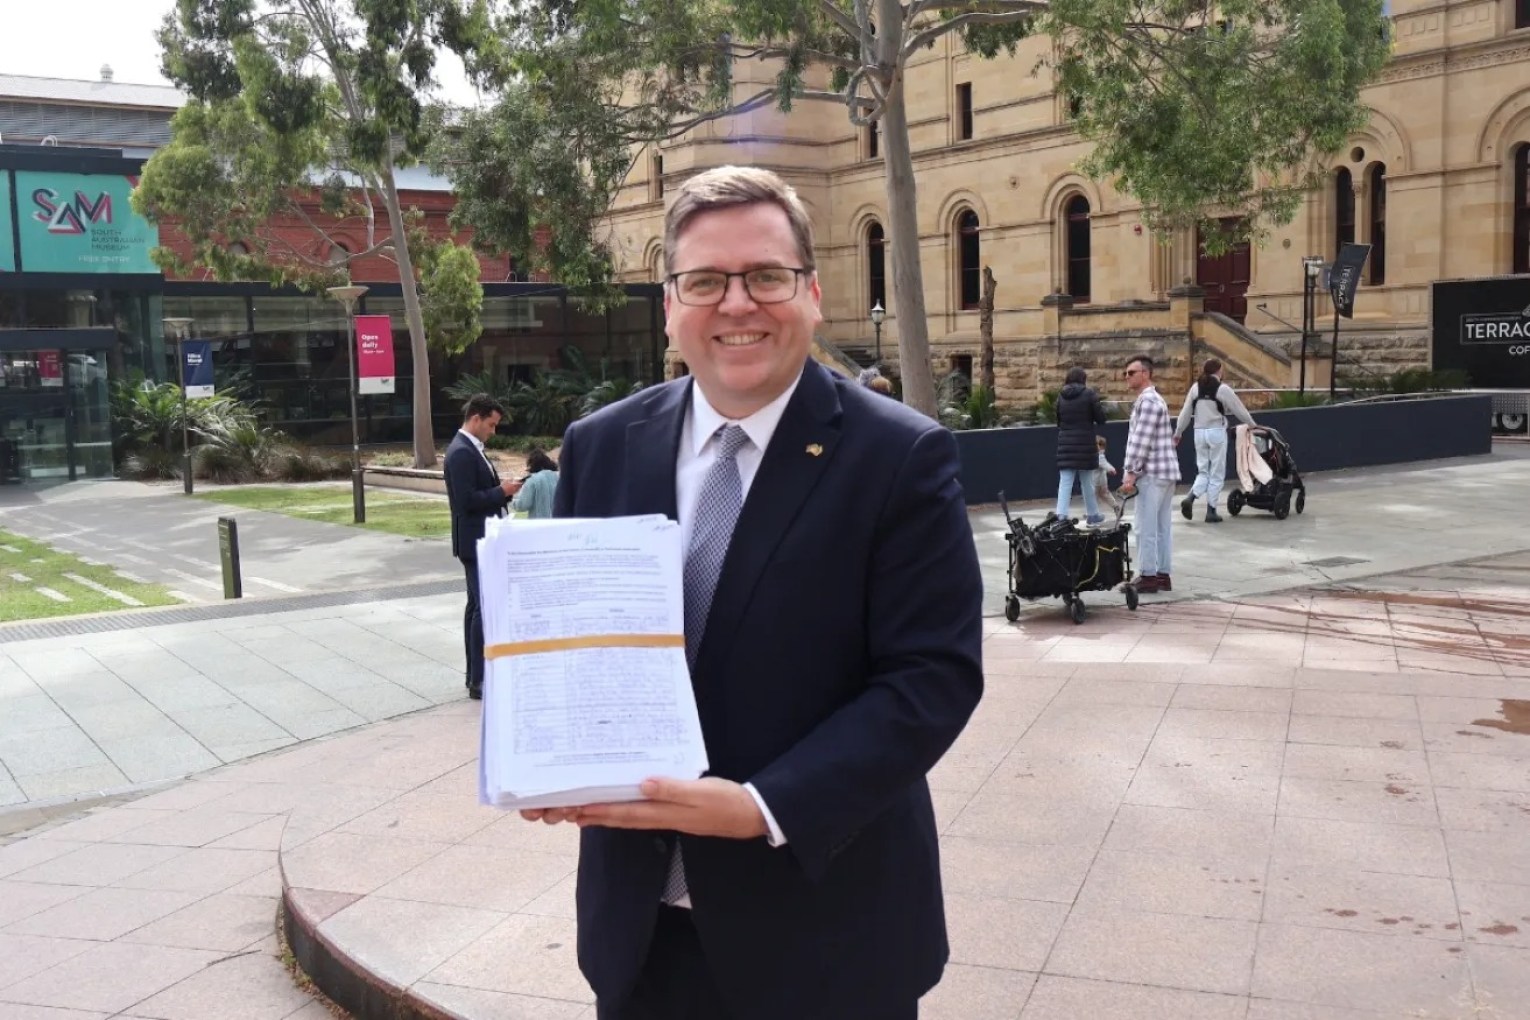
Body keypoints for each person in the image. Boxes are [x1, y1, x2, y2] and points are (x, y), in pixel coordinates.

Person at [522, 165, 984, 1020]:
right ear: (670, 304)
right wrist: (543, 751)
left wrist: (760, 809)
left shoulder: (900, 457)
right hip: (640, 939)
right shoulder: (602, 446)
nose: (737, 304)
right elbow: (571, 644)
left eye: (765, 276)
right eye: (704, 281)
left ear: (810, 292)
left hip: (828, 936)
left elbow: (932, 679)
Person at [443, 394, 518, 700]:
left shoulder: (471, 449)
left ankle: (475, 676)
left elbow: (480, 494)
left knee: (476, 607)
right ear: (475, 418)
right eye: (491, 424)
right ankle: (479, 679)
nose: (493, 430)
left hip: (479, 539)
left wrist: (504, 492)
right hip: (475, 542)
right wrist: (500, 492)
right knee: (482, 610)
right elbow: (465, 502)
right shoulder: (461, 452)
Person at [1119, 356, 1181, 593]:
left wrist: (1131, 474)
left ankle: (1147, 575)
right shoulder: (1158, 401)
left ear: (1145, 373)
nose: (1127, 376)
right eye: (1126, 373)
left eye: (1131, 372)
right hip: (1166, 472)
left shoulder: (1147, 402)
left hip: (1152, 474)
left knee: (1144, 526)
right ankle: (1163, 575)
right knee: (1163, 526)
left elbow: (1140, 442)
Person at [1173, 358, 1256, 523]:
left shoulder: (1195, 388)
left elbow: (1185, 412)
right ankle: (1211, 511)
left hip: (1199, 432)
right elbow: (1239, 409)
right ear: (1218, 371)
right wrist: (1252, 425)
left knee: (1203, 471)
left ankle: (1190, 497)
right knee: (1217, 473)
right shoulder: (1223, 389)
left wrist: (1178, 432)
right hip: (1216, 432)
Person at [1053, 366, 1108, 525]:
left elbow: (1058, 421)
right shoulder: (1089, 394)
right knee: (1087, 482)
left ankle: (1061, 516)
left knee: (1065, 482)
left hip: (1065, 444)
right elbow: (1101, 419)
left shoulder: (1060, 397)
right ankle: (1092, 514)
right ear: (1083, 379)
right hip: (1085, 444)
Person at [509, 447, 559, 519]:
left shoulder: (532, 480)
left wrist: (509, 500)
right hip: (558, 523)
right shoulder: (558, 477)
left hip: (538, 525)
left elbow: (522, 505)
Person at [1092, 435, 1121, 517]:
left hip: (1097, 481)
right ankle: (1116, 507)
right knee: (1105, 494)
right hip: (1100, 480)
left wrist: (1111, 469)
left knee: (1092, 497)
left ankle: (1092, 513)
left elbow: (1104, 464)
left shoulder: (1099, 456)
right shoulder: (1098, 455)